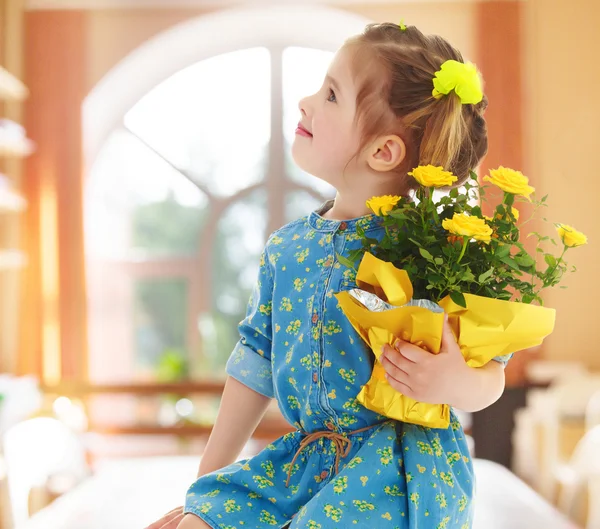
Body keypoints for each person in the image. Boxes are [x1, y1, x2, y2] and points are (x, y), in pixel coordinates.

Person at [147, 22, 510, 529]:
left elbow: (492, 373)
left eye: (332, 94)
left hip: (401, 473)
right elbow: (255, 360)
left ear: (383, 152)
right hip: (305, 462)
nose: (305, 101)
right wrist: (202, 494)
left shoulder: (431, 250)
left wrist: (455, 382)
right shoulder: (287, 247)